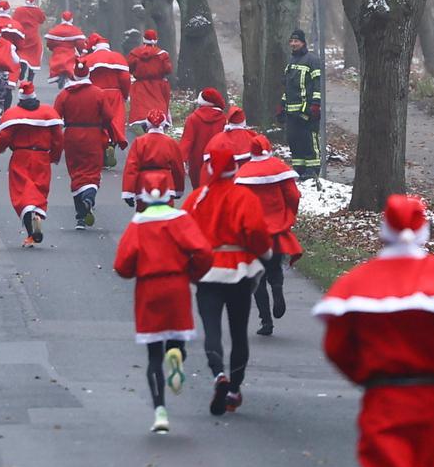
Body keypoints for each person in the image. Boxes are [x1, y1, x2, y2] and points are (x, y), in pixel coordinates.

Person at [315, 193, 434, 467]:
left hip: (384, 397)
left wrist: (364, 374)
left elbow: (336, 345)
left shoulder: (360, 280)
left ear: (384, 230)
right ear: (424, 232)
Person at [114, 184, 214, 434]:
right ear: (169, 196)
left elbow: (123, 264)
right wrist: (193, 273)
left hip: (149, 288)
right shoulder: (180, 220)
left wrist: (133, 272)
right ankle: (177, 354)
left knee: (153, 355)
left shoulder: (138, 223)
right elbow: (203, 252)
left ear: (145, 197)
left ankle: (160, 411)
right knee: (176, 336)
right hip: (176, 285)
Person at [184, 132, 272, 415]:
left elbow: (183, 233)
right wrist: (265, 253)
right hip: (239, 272)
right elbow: (257, 233)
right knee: (238, 332)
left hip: (208, 271)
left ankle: (217, 375)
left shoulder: (197, 198)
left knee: (211, 330)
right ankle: (234, 388)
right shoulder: (243, 197)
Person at [234, 132, 302, 335]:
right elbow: (293, 195)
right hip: (276, 232)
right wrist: (288, 215)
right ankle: (278, 290)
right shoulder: (279, 169)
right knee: (274, 268)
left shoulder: (244, 174)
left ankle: (266, 322)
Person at [0, 77, 63, 247]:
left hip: (21, 157)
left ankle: (30, 232)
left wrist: (0, 148)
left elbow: (3, 138)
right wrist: (54, 156)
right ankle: (38, 215)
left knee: (22, 194)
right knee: (39, 189)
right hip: (42, 157)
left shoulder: (12, 115)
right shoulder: (48, 114)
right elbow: (58, 139)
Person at [56, 58, 122, 227]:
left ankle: (80, 216)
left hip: (71, 136)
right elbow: (108, 116)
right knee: (92, 170)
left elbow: (56, 117)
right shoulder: (98, 93)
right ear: (88, 74)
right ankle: (89, 197)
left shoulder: (64, 94)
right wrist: (104, 128)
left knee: (75, 170)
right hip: (93, 135)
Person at [279, 26, 323, 182]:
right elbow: (288, 87)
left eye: (296, 41)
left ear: (303, 43)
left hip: (307, 110)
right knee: (294, 140)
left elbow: (318, 85)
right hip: (292, 112)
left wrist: (316, 105)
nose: (293, 43)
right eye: (291, 41)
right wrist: (282, 106)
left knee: (308, 140)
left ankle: (312, 170)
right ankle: (299, 169)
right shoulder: (291, 61)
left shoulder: (312, 60)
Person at [121, 110, 185, 211]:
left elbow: (131, 167)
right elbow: (178, 168)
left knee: (144, 217)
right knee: (165, 216)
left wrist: (128, 191)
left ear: (147, 124)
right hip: (166, 183)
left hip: (144, 183)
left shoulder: (140, 142)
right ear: (164, 124)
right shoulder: (170, 142)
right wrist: (178, 189)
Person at [85, 31, 132, 164]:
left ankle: (102, 148)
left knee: (99, 122)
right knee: (116, 122)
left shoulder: (89, 59)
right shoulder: (117, 57)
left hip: (96, 93)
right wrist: (125, 93)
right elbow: (125, 78)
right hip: (114, 93)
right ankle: (112, 144)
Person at [179, 85, 227, 188]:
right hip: (217, 159)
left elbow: (187, 140)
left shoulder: (193, 119)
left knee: (199, 192)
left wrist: (181, 159)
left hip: (197, 160)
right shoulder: (222, 119)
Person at [126, 29, 172, 130]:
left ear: (144, 40)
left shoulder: (134, 53)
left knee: (141, 110)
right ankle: (158, 125)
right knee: (158, 106)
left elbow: (128, 67)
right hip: (158, 87)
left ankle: (141, 133)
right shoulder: (162, 54)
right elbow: (168, 69)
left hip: (140, 86)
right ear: (155, 40)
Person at [10, 0, 47, 86]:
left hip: (22, 36)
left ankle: (22, 72)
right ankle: (30, 79)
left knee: (22, 55)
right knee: (34, 57)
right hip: (34, 37)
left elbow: (14, 21)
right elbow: (42, 20)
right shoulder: (38, 11)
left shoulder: (19, 10)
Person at [44, 10, 86, 82]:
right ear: (72, 19)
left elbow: (50, 42)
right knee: (71, 63)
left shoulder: (56, 29)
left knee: (54, 63)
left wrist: (51, 48)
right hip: (70, 50)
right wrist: (82, 49)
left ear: (62, 19)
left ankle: (54, 75)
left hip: (57, 51)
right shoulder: (75, 30)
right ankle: (71, 75)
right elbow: (80, 42)